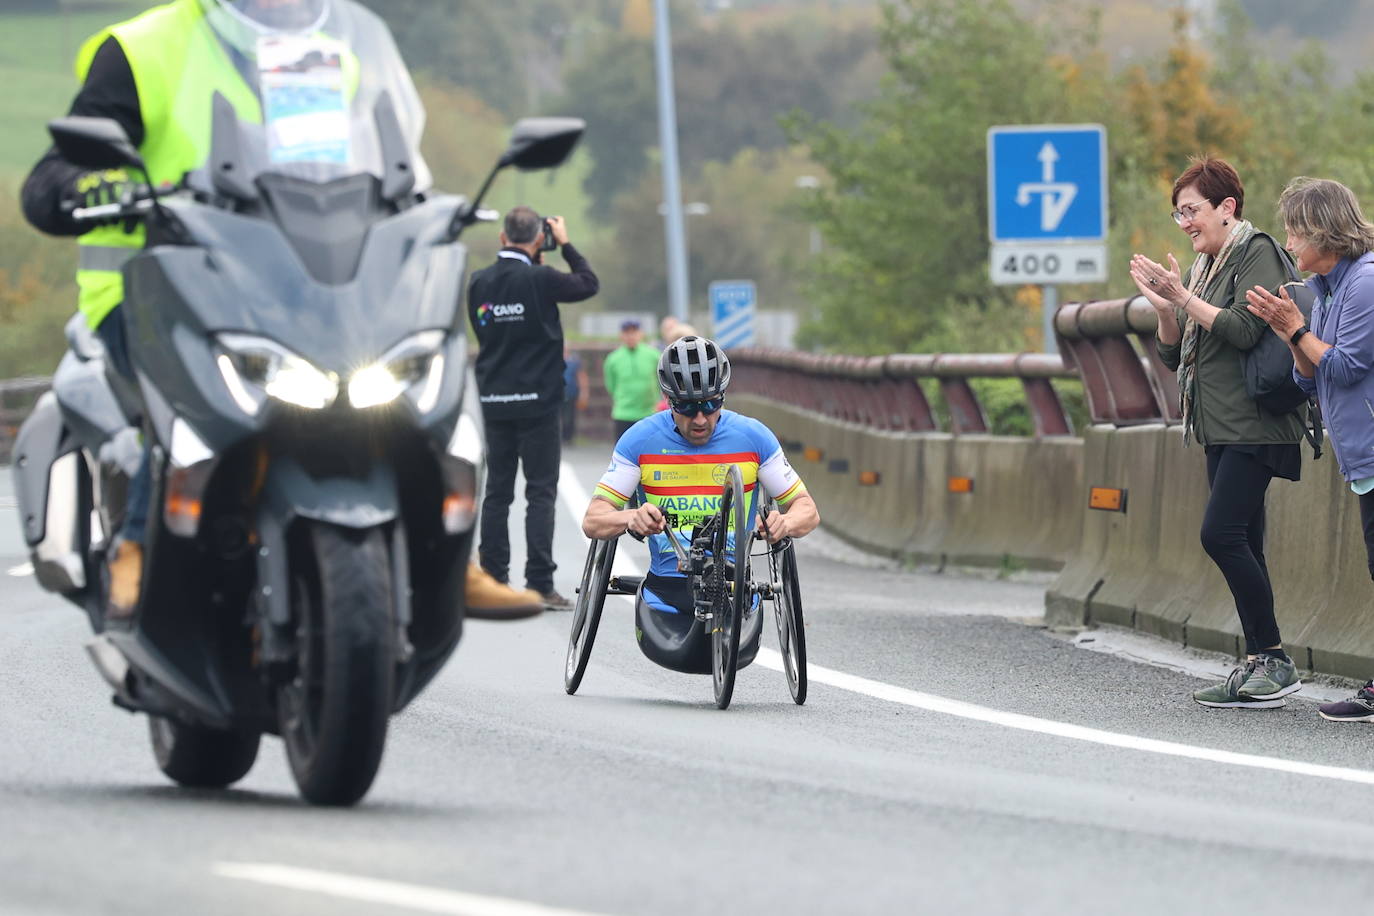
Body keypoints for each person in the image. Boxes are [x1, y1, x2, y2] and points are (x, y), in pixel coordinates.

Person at [19, 0, 425, 621]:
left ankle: (443, 554)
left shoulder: (324, 57)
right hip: (158, 292)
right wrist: (97, 187)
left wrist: (415, 204)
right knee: (183, 406)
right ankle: (135, 546)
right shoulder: (143, 48)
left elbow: (347, 168)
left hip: (300, 295)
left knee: (400, 383)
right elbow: (55, 175)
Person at [1130, 157, 1307, 709]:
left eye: (1192, 210)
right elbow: (1172, 352)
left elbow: (1244, 327)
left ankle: (1274, 659)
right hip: (1220, 426)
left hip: (1258, 423)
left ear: (1226, 208)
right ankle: (1259, 663)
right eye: (1178, 213)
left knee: (1219, 534)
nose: (1184, 222)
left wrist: (1185, 299)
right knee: (1244, 539)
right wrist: (1167, 308)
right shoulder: (1206, 267)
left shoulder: (1257, 251)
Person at [581, 336, 820, 673]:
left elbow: (806, 509)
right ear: (668, 401)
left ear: (722, 397)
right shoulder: (639, 439)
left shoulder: (754, 438)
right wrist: (632, 517)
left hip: (735, 585)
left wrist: (785, 524)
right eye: (686, 407)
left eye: (710, 405)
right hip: (668, 588)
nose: (700, 419)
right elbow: (594, 520)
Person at [1244, 177, 1374, 721]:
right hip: (1360, 455)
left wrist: (1296, 330)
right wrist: (1289, 332)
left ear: (1326, 232)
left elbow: (1346, 366)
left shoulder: (1365, 282)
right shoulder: (1323, 291)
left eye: (1297, 233)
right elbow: (1308, 380)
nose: (1290, 244)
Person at [468, 207, 598, 610]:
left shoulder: (478, 282)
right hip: (539, 402)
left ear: (503, 238)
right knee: (540, 492)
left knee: (497, 492)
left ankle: (492, 577)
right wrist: (568, 244)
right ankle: (540, 583)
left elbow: (484, 331)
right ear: (539, 239)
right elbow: (587, 284)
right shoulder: (541, 278)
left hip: (493, 400)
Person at [602, 318, 660, 439]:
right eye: (627, 332)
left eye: (634, 332)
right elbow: (610, 385)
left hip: (649, 412)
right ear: (621, 335)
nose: (631, 336)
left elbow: (660, 379)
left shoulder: (654, 355)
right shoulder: (613, 358)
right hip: (623, 413)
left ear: (641, 334)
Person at [561, 343, 589, 444]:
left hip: (571, 393)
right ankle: (560, 437)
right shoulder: (555, 361)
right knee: (559, 417)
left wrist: (583, 393)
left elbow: (581, 377)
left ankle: (568, 437)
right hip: (558, 395)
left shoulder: (574, 362)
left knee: (570, 416)